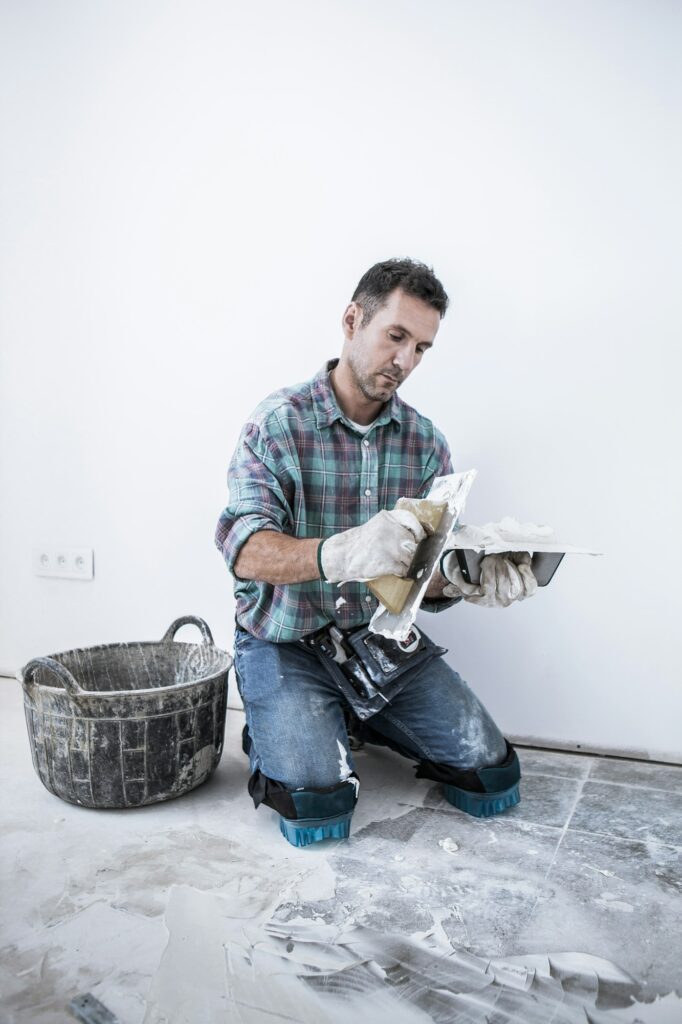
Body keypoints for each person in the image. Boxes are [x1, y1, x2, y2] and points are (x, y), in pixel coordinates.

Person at [215, 258, 537, 848]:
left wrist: (467, 577)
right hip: (285, 640)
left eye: (422, 348)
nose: (406, 362)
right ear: (351, 320)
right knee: (319, 806)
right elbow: (246, 550)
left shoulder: (425, 444)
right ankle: (277, 731)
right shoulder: (276, 425)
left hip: (378, 640)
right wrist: (341, 553)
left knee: (492, 775)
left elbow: (421, 582)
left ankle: (359, 714)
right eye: (396, 337)